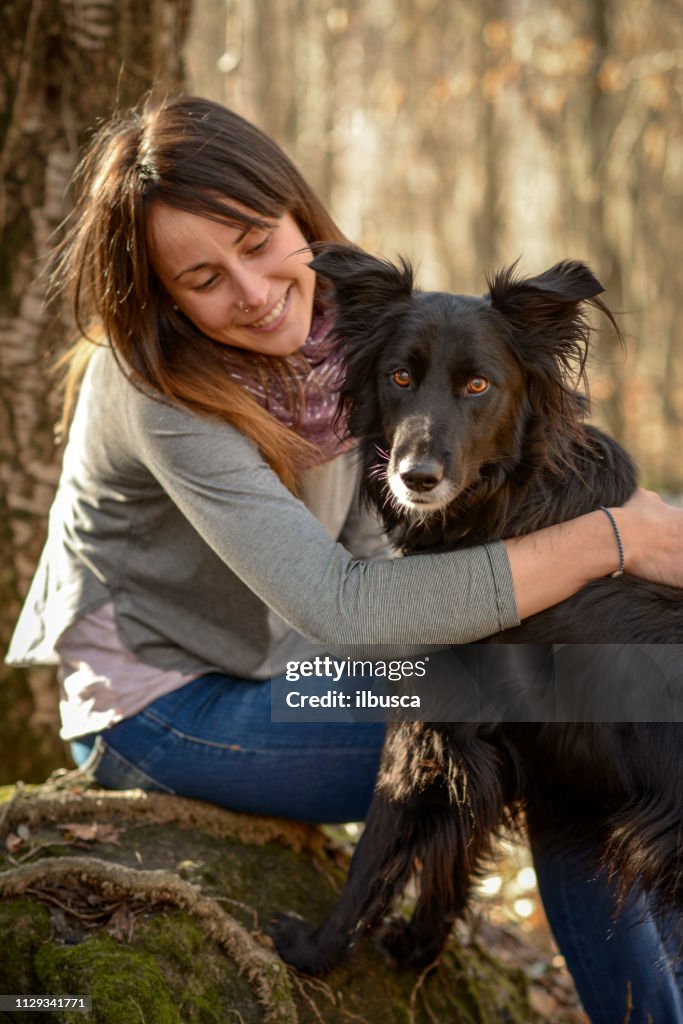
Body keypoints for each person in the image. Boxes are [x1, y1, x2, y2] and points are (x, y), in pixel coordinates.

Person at [6, 96, 683, 1023]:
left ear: (297, 213)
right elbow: (354, 606)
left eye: (255, 241)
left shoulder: (368, 336)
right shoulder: (153, 390)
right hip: (166, 708)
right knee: (553, 714)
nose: (248, 290)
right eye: (203, 278)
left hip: (295, 668)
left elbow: (397, 562)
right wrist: (611, 539)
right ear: (163, 298)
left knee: (589, 698)